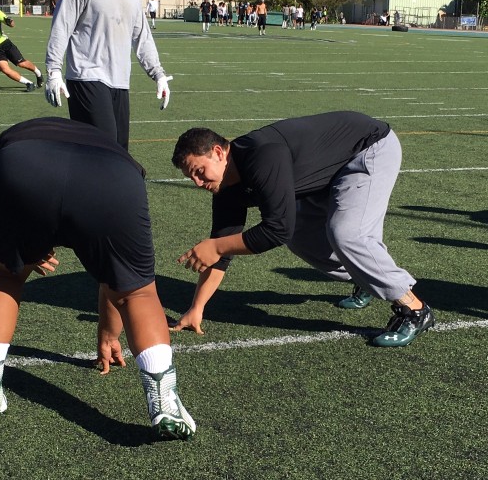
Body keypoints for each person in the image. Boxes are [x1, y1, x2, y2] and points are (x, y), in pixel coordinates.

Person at [0, 116, 196, 439]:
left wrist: (11, 247)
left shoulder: (10, 140)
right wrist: (109, 330)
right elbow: (117, 280)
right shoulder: (112, 150)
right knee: (138, 294)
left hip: (25, 170)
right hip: (114, 180)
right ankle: (164, 401)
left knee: (3, 277)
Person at [170, 111, 435, 348]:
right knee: (299, 237)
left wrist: (216, 246)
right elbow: (222, 250)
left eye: (199, 171)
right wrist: (197, 307)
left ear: (218, 152)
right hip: (323, 171)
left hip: (367, 148)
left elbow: (275, 230)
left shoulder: (261, 156)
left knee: (346, 234)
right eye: (190, 177)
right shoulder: (224, 187)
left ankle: (414, 309)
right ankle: (365, 278)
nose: (197, 182)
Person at [45, 0, 172, 151]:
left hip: (120, 83)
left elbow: (142, 37)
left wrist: (158, 75)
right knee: (104, 148)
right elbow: (61, 27)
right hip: (87, 78)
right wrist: (53, 71)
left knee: (119, 151)